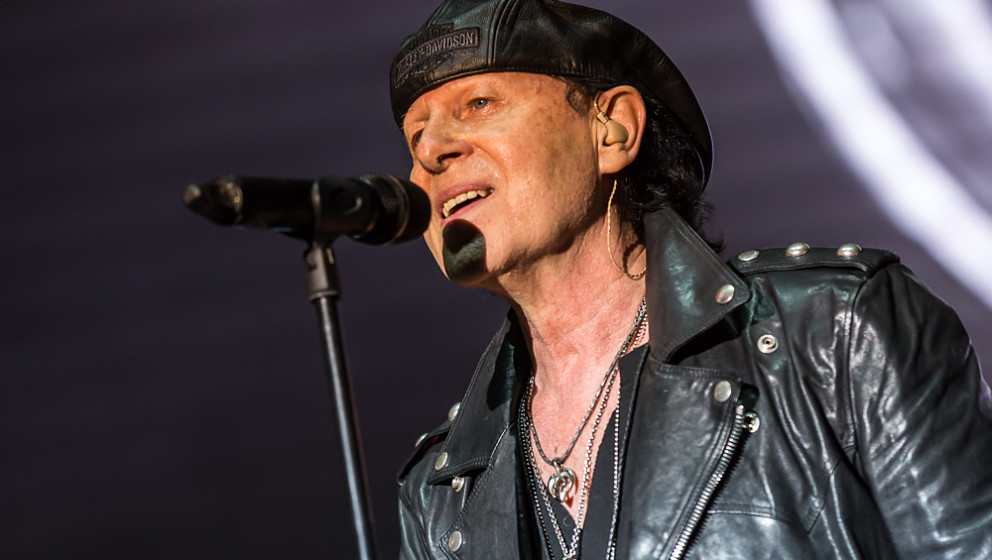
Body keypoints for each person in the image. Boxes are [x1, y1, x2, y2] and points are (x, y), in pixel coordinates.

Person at [388, 0, 992, 558]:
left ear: (613, 130)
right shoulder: (441, 489)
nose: (432, 151)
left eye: (479, 104)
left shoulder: (835, 331)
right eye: (415, 138)